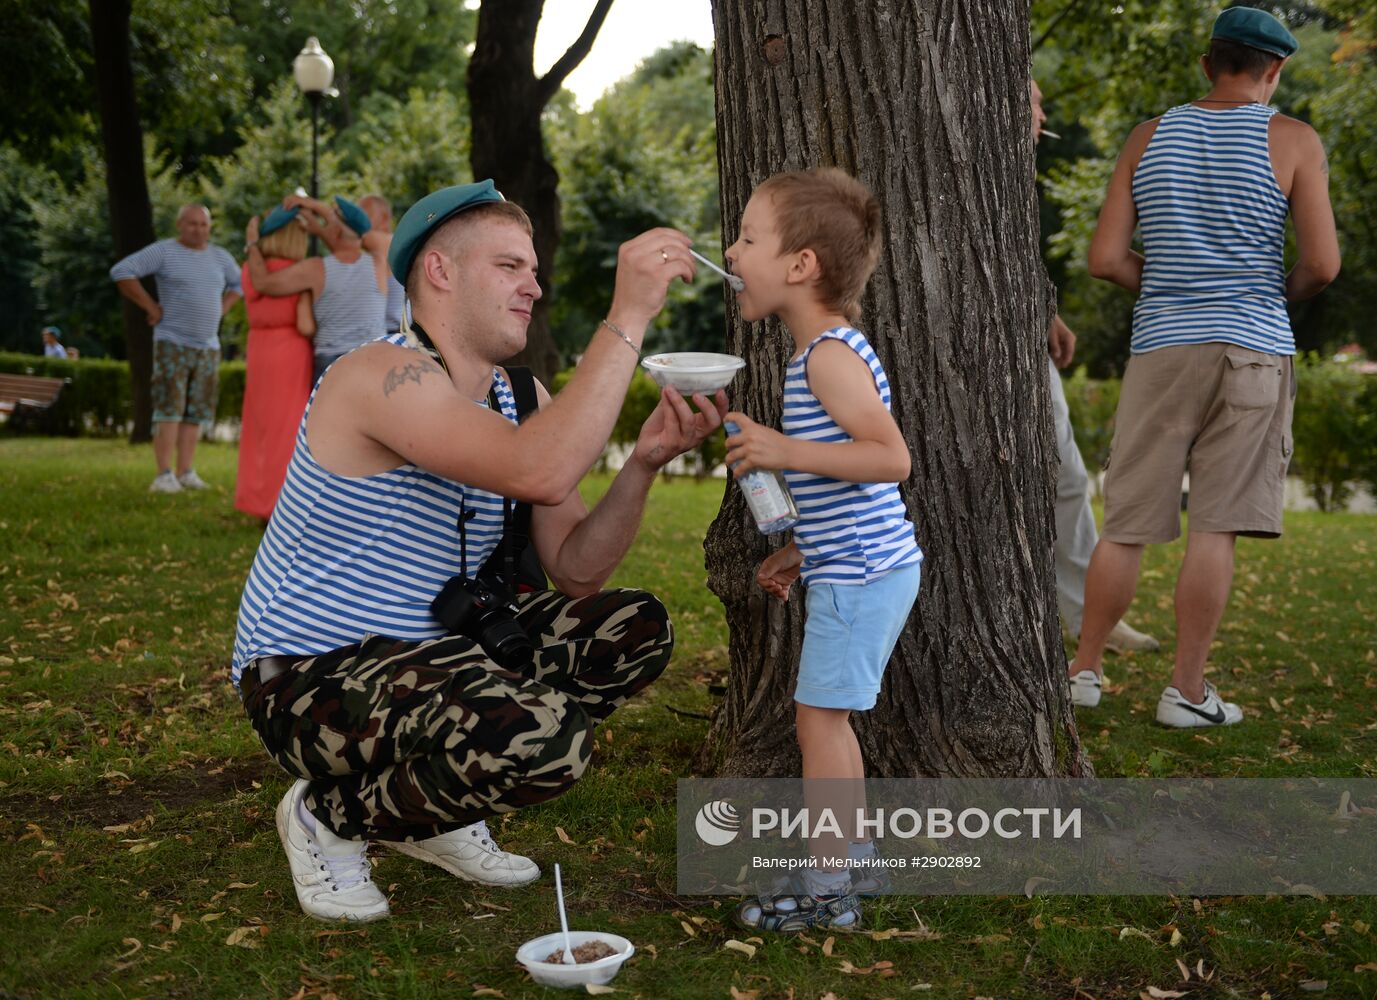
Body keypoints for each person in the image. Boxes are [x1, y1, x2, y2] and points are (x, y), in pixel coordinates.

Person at [231, 179, 726, 922]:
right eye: (508, 267)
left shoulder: (520, 398)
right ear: (440, 271)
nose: (532, 286)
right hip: (307, 680)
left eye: (532, 269)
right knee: (543, 737)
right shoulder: (378, 374)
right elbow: (537, 470)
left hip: (435, 661)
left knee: (631, 629)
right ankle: (327, 815)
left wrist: (644, 462)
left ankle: (432, 808)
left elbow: (579, 570)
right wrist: (628, 314)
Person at [1070, 7, 1339, 726]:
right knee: (1213, 527)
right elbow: (1320, 264)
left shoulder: (1147, 137)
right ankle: (1186, 694)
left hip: (1161, 345)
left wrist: (1168, 286)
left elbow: (1102, 259)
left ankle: (1083, 671)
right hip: (1250, 346)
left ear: (1207, 64)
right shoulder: (1291, 140)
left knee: (1123, 523)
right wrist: (1267, 298)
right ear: (1274, 69)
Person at [722, 168, 921, 932]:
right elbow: (851, 489)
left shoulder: (828, 358)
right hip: (854, 564)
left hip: (864, 575)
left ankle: (827, 886)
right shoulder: (822, 354)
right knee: (827, 721)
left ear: (800, 265)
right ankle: (853, 861)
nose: (732, 253)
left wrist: (780, 448)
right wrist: (798, 551)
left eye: (747, 238)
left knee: (819, 725)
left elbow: (888, 460)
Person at [1030, 80, 1160, 656]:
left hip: (1020, 343)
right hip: (983, 352)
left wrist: (1046, 310)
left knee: (1068, 477)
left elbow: (1010, 260)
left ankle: (1087, 615)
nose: (1043, 112)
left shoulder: (1007, 178)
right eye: (1033, 101)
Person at [110, 204, 242, 494]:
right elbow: (122, 271)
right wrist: (150, 306)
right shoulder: (165, 252)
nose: (199, 229)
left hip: (208, 346)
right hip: (173, 342)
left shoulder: (220, 257)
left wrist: (222, 309)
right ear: (180, 224)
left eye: (204, 224)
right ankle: (163, 474)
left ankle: (186, 471)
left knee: (197, 410)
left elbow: (239, 283)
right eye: (192, 223)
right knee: (169, 408)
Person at [244, 194, 388, 385]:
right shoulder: (379, 261)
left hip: (331, 364)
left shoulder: (315, 269)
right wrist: (316, 213)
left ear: (335, 232)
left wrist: (252, 244)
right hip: (375, 358)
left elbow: (263, 283)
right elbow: (352, 236)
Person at [234, 204, 316, 522]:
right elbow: (306, 326)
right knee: (289, 426)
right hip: (289, 350)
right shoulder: (295, 273)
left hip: (258, 348)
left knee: (260, 427)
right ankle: (282, 504)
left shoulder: (250, 269)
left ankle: (257, 500)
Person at [359, 193, 407, 335]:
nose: (357, 219)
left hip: (393, 333)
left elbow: (351, 234)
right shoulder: (392, 244)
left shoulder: (386, 242)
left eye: (363, 214)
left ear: (384, 219)